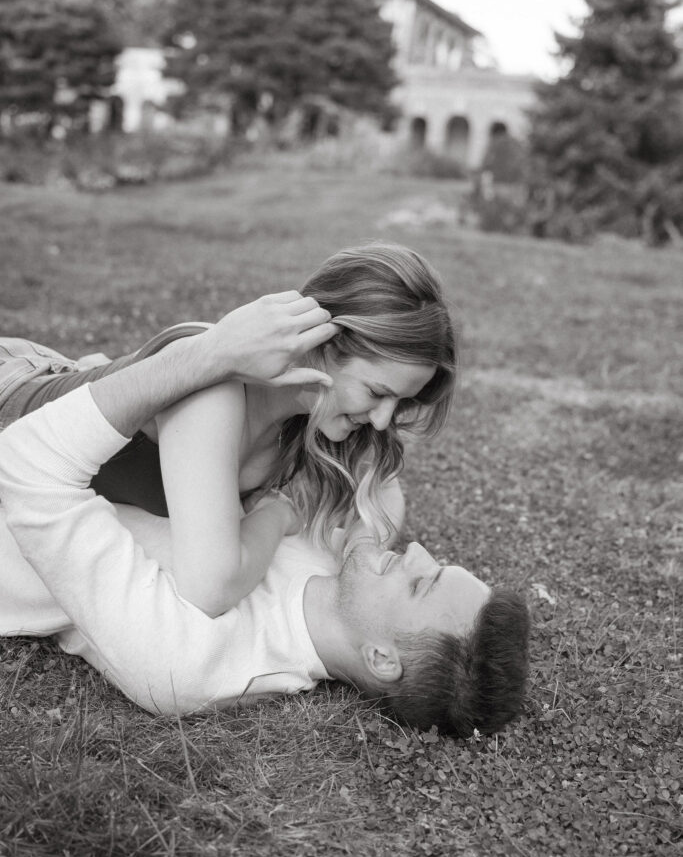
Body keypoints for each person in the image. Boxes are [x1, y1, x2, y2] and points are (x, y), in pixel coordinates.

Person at [0, 301, 529, 736]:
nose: (415, 552)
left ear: (382, 659)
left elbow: (25, 466)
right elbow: (382, 487)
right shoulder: (338, 567)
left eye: (422, 583)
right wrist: (363, 540)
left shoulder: (188, 662)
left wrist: (208, 357)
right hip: (52, 373)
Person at [0, 243, 456, 618]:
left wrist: (360, 560)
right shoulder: (214, 392)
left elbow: (387, 490)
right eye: (377, 392)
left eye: (402, 400)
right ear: (324, 345)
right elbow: (211, 588)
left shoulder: (321, 417)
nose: (382, 419)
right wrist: (278, 513)